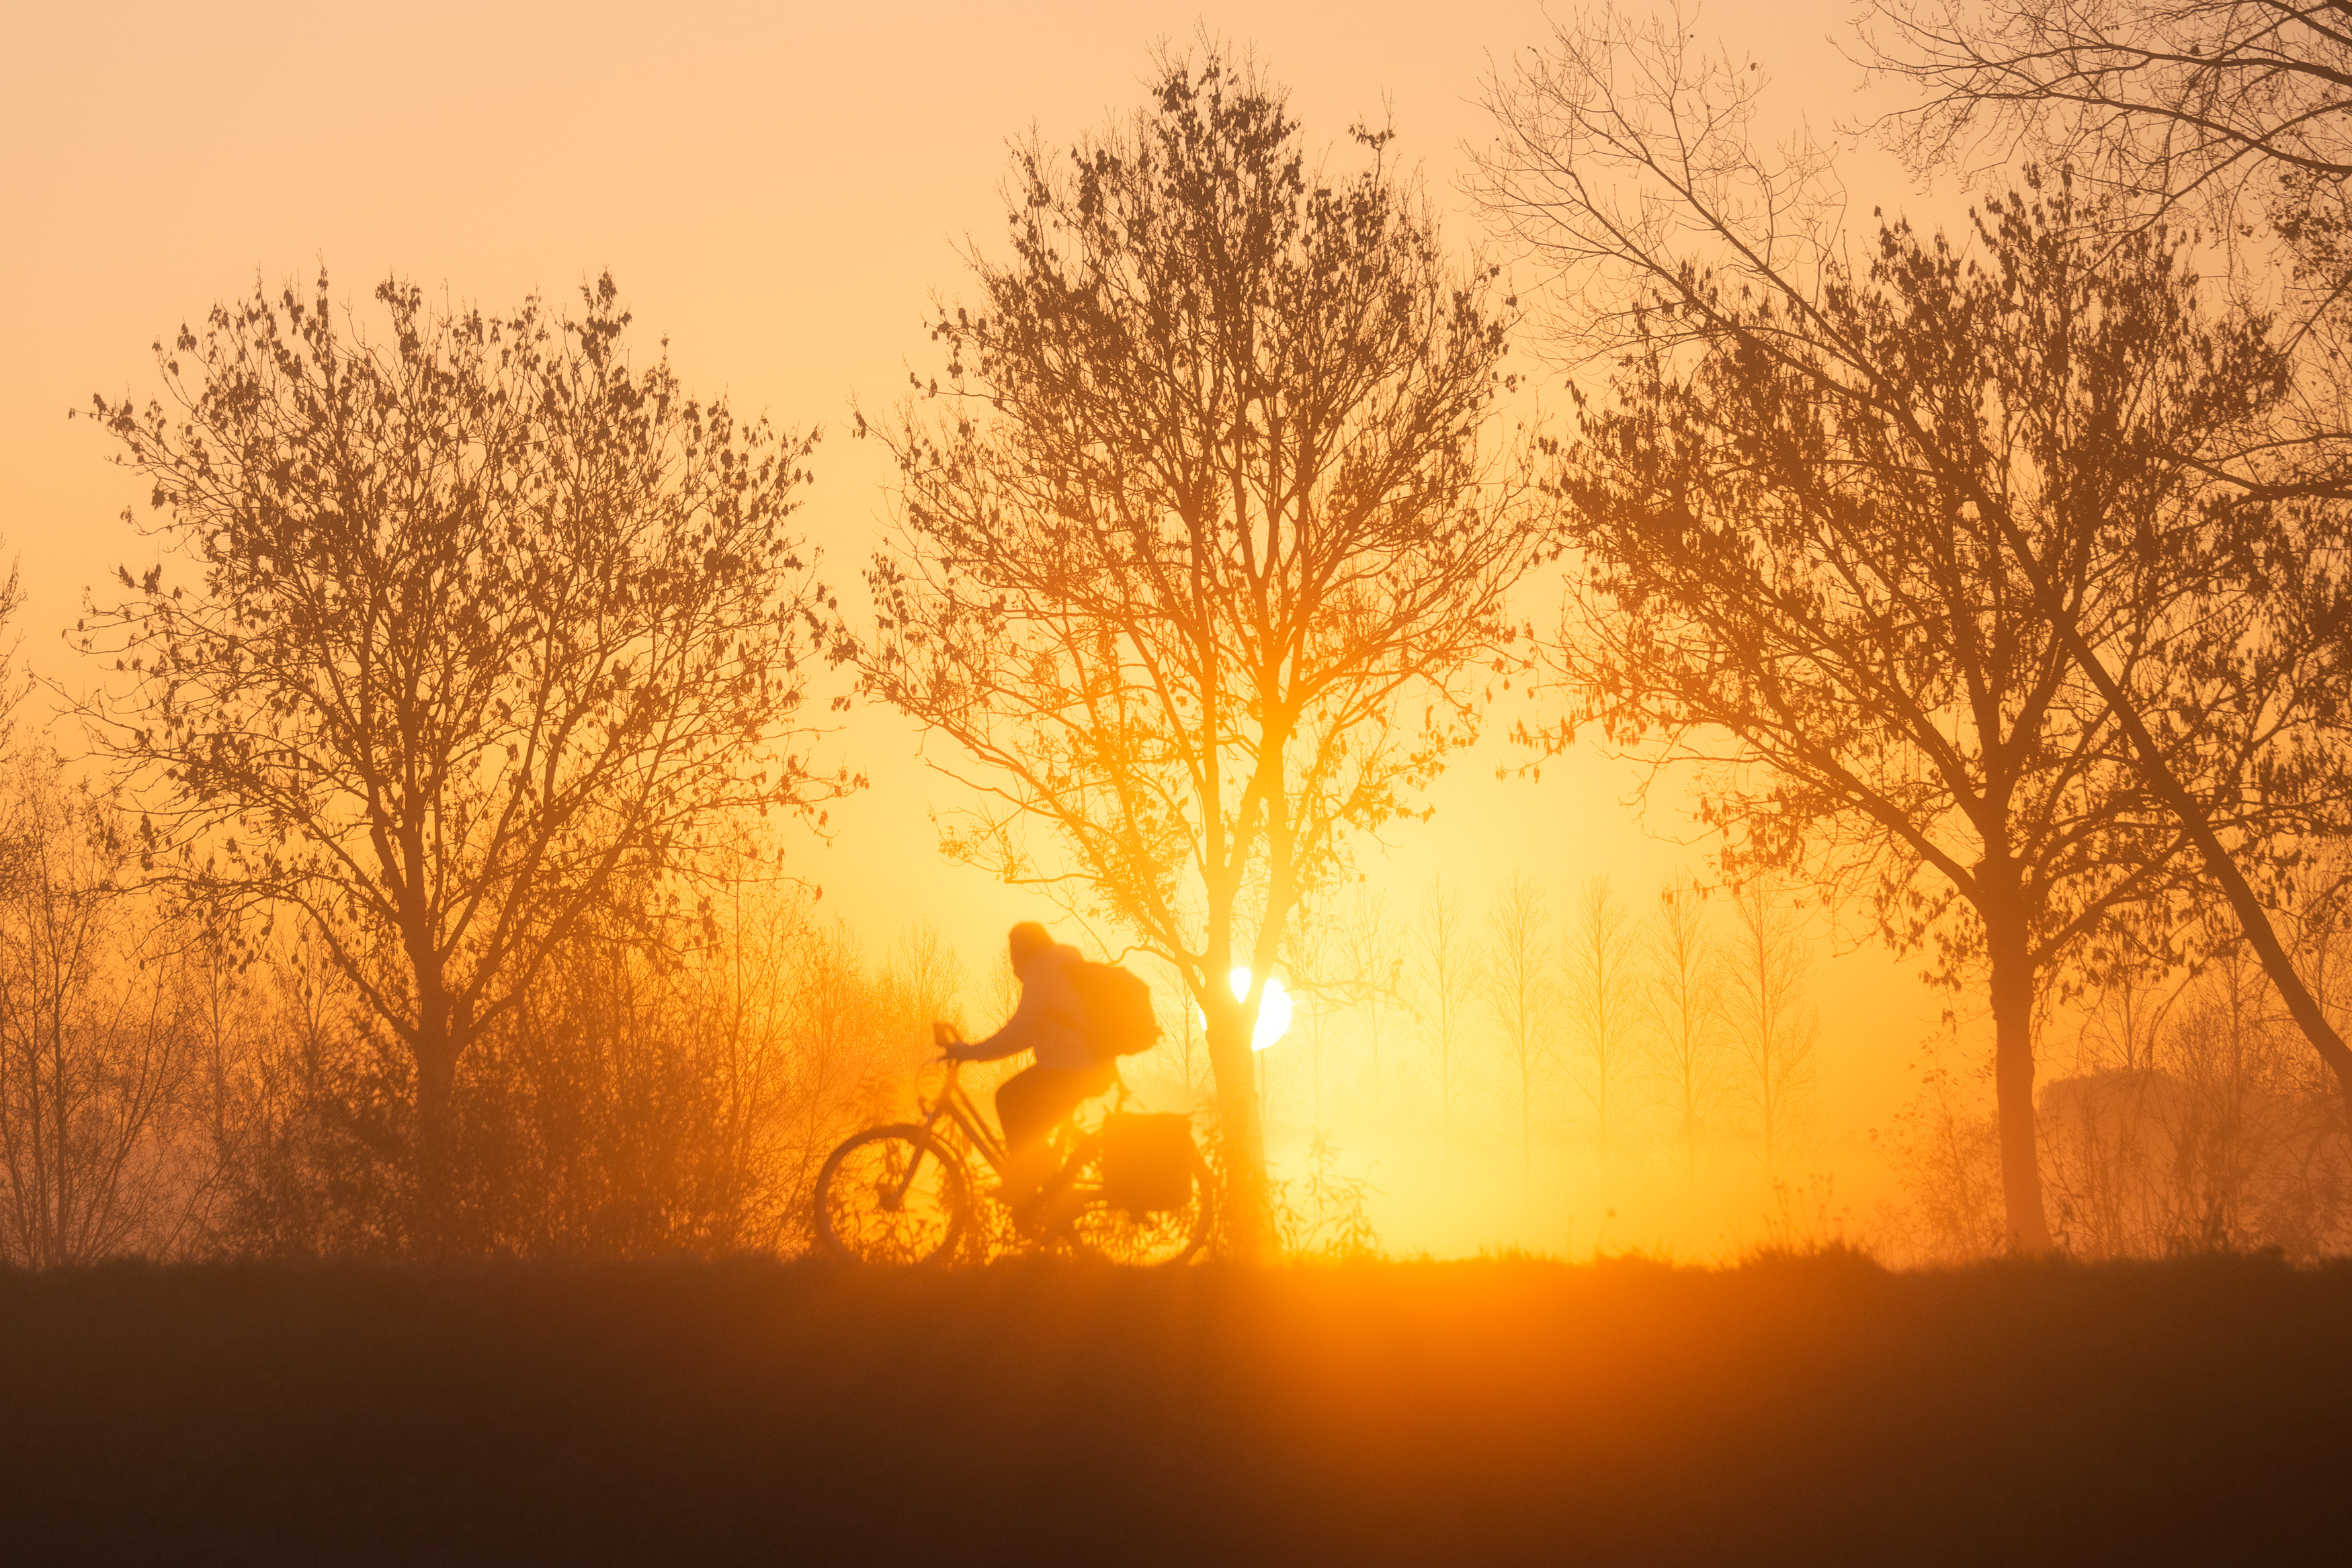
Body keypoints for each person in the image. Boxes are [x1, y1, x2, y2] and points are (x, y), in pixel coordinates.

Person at [944, 921, 1114, 1216]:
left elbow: (1021, 1032)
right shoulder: (1063, 966)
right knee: (1030, 1116)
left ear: (1022, 951)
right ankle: (1040, 1182)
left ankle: (1026, 1181)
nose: (1012, 963)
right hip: (1087, 1067)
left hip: (1073, 1069)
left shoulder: (1044, 971)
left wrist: (971, 1052)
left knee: (1009, 1098)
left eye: (1012, 953)